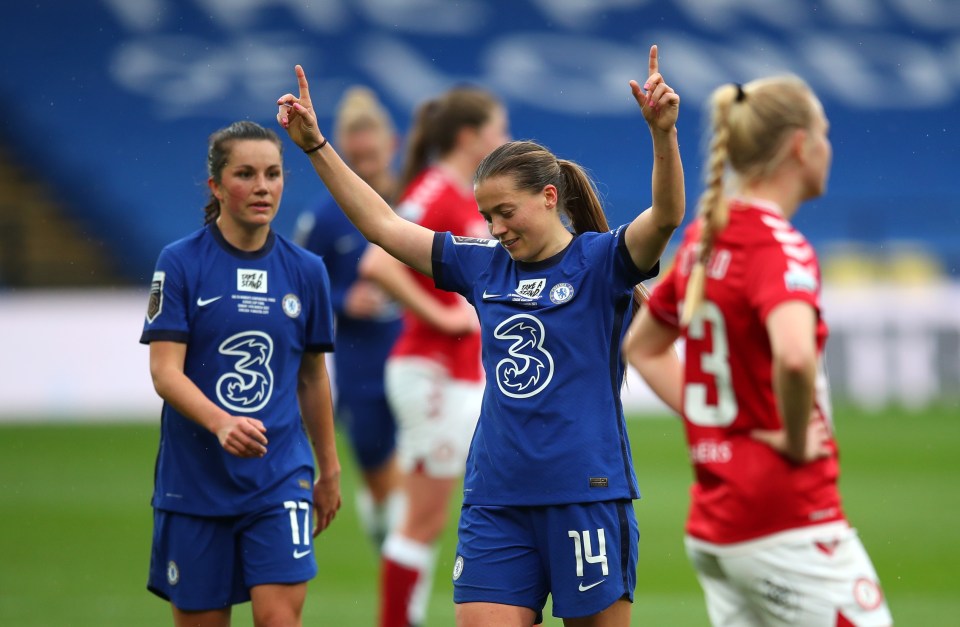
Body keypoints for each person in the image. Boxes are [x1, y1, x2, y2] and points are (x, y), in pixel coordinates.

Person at [277, 43, 683, 626]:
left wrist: (663, 135)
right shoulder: (482, 264)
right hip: (496, 500)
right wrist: (317, 146)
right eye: (487, 215)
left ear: (549, 198)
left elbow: (666, 215)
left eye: (505, 213)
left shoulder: (603, 262)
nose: (495, 228)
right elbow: (383, 226)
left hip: (586, 494)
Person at [622, 76, 893, 626]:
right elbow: (794, 356)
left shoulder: (706, 238)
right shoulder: (779, 245)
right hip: (788, 521)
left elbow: (642, 347)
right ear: (799, 145)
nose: (829, 147)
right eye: (825, 133)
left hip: (718, 524)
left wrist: (719, 422)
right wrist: (792, 439)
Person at [140, 120, 342, 627]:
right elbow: (166, 373)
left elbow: (313, 376)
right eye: (245, 174)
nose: (262, 187)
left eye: (273, 174)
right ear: (216, 186)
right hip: (194, 483)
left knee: (279, 620)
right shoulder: (180, 263)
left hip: (280, 477)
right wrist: (221, 422)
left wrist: (328, 467)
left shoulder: (306, 271)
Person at [357, 84, 510, 627]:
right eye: (499, 130)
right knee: (421, 518)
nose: (505, 140)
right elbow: (378, 264)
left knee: (433, 514)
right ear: (469, 137)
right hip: (432, 369)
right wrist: (442, 315)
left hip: (460, 374)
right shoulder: (434, 190)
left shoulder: (464, 193)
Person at [292, 86, 405, 552]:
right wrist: (341, 298)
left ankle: (404, 548)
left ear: (391, 145)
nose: (364, 163)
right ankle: (390, 534)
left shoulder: (420, 200)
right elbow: (298, 284)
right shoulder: (324, 219)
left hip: (419, 356)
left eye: (370, 153)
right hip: (361, 367)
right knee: (377, 464)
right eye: (353, 156)